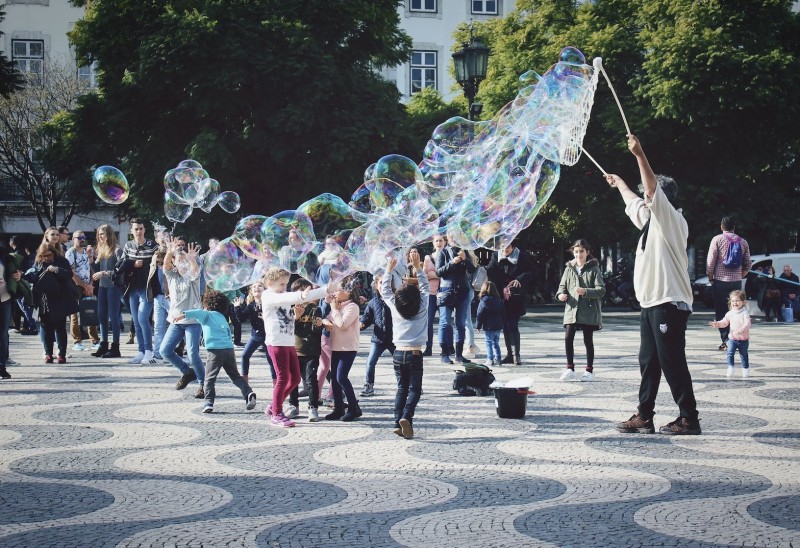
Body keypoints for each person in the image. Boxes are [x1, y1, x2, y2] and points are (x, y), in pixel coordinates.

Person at [609, 134, 701, 436]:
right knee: (648, 362)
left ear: (663, 199)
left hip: (668, 303)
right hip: (650, 304)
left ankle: (689, 419)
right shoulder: (650, 222)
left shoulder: (672, 220)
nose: (647, 201)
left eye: (652, 199)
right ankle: (644, 415)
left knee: (671, 362)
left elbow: (650, 190)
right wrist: (620, 183)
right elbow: (634, 201)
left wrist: (639, 154)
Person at [261, 266, 328, 428]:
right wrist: (300, 295)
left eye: (286, 284)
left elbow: (285, 319)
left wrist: (327, 290)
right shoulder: (268, 295)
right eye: (281, 284)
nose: (284, 287)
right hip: (276, 343)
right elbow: (290, 298)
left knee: (295, 379)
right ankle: (277, 413)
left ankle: (274, 405)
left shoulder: (283, 296)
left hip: (288, 342)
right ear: (270, 283)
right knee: (283, 378)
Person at [176, 290, 257, 414]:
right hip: (229, 349)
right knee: (235, 376)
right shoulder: (222, 317)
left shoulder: (207, 314)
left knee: (209, 378)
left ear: (207, 305)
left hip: (215, 351)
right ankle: (248, 393)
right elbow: (228, 333)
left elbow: (196, 313)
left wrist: (182, 315)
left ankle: (208, 403)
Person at [380, 250, 429, 440]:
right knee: (415, 389)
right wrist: (418, 268)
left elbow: (385, 291)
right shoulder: (422, 306)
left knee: (401, 388)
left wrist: (388, 270)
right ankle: (406, 417)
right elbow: (425, 288)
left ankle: (397, 423)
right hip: (415, 354)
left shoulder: (395, 307)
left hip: (398, 353)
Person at [160, 240, 205, 399]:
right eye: (179, 261)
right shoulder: (171, 275)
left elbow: (195, 270)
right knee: (164, 351)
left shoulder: (192, 277)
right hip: (176, 321)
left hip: (193, 321)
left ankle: (203, 384)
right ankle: (187, 372)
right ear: (174, 262)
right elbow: (165, 265)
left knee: (193, 355)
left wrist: (191, 258)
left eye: (184, 260)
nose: (182, 263)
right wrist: (170, 251)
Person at [556, 239, 605, 381]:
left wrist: (585, 291)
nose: (579, 254)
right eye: (576, 251)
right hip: (572, 309)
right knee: (568, 337)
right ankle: (569, 368)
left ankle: (589, 371)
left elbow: (601, 290)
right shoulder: (568, 269)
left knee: (587, 340)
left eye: (582, 251)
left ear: (587, 252)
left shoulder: (594, 269)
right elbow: (561, 287)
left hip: (588, 310)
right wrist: (560, 295)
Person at [706, 216, 751, 350]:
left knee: (721, 312)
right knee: (736, 310)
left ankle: (726, 340)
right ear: (734, 228)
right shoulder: (743, 242)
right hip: (736, 282)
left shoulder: (717, 239)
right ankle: (736, 339)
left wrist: (710, 278)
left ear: (721, 227)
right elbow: (748, 265)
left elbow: (710, 262)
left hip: (720, 281)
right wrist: (739, 276)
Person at [486, 241, 535, 365]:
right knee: (505, 325)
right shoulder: (495, 256)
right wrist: (502, 287)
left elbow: (533, 271)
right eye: (502, 246)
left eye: (508, 246)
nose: (505, 249)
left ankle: (516, 355)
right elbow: (491, 273)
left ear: (513, 247)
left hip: (516, 295)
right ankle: (510, 354)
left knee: (512, 324)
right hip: (501, 296)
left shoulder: (522, 256)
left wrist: (519, 279)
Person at [322, 274, 363, 422]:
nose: (335, 293)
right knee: (334, 379)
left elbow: (343, 324)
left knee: (341, 377)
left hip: (348, 348)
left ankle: (354, 408)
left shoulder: (353, 307)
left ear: (348, 291)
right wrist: (326, 321)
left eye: (338, 290)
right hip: (336, 346)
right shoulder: (338, 305)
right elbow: (328, 318)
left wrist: (334, 309)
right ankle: (338, 408)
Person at [29, 243, 79, 364]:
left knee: (60, 327)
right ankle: (48, 354)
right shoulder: (39, 262)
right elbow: (33, 277)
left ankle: (61, 354)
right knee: (46, 328)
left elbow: (69, 274)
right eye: (43, 256)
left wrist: (57, 269)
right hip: (44, 299)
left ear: (53, 252)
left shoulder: (61, 261)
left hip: (59, 298)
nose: (46, 258)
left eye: (48, 255)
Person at [120, 219, 159, 364]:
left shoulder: (152, 245)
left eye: (141, 228)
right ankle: (141, 351)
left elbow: (158, 263)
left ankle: (149, 351)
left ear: (144, 229)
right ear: (131, 231)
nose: (139, 231)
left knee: (143, 319)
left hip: (147, 288)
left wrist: (145, 264)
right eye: (136, 229)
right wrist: (133, 264)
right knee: (136, 321)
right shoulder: (128, 246)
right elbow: (122, 264)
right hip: (132, 288)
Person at [287, 277, 324, 422]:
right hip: (294, 350)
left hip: (311, 352)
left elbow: (316, 330)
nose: (304, 294)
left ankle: (313, 407)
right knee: (293, 380)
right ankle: (293, 405)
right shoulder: (291, 309)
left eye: (306, 290)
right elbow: (288, 329)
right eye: (300, 291)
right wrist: (296, 317)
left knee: (311, 380)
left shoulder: (315, 309)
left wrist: (319, 325)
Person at [435, 235, 476, 364]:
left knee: (460, 324)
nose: (454, 237)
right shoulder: (443, 252)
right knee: (445, 322)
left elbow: (472, 269)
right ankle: (444, 354)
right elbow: (439, 272)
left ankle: (458, 355)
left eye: (455, 235)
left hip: (462, 291)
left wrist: (465, 259)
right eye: (451, 235)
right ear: (448, 237)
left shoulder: (464, 251)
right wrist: (452, 263)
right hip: (446, 291)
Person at [358, 272, 394, 397]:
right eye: (381, 283)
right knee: (370, 362)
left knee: (401, 362)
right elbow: (367, 317)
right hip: (378, 339)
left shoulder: (395, 299)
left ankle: (410, 384)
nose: (383, 285)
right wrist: (362, 324)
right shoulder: (373, 302)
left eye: (387, 282)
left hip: (394, 338)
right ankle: (369, 385)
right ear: (376, 285)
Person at [91, 224, 123, 358]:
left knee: (113, 317)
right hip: (102, 286)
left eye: (102, 234)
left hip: (113, 286)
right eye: (99, 234)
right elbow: (96, 271)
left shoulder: (117, 250)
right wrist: (90, 259)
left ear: (109, 234)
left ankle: (115, 347)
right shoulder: (100, 249)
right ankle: (103, 345)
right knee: (101, 315)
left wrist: (105, 273)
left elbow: (121, 271)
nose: (100, 236)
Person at [233, 282, 274, 383]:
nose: (257, 288)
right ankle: (245, 379)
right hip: (255, 335)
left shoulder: (269, 304)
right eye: (254, 287)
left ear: (265, 290)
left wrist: (267, 319)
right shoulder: (251, 306)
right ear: (251, 291)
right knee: (245, 355)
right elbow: (241, 318)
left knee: (271, 360)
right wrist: (237, 307)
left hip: (268, 336)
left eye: (260, 286)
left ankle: (276, 381)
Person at [65, 230, 99, 351]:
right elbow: (72, 273)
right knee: (75, 314)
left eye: (84, 237)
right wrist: (85, 286)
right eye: (79, 237)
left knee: (91, 311)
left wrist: (90, 284)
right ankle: (77, 341)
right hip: (76, 286)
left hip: (87, 286)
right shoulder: (71, 253)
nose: (82, 239)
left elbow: (89, 268)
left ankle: (95, 340)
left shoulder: (85, 252)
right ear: (73, 239)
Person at [709, 289, 751, 378]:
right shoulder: (730, 313)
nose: (735, 303)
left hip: (743, 340)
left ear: (743, 302)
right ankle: (730, 368)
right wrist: (718, 324)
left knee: (743, 355)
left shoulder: (744, 313)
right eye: (733, 301)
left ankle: (745, 369)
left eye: (737, 301)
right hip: (732, 339)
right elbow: (724, 322)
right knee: (730, 353)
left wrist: (743, 328)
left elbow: (747, 323)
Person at [422, 235, 444, 356]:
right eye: (436, 241)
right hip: (431, 293)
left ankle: (447, 346)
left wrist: (434, 275)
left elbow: (449, 273)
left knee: (444, 321)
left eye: (441, 240)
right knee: (428, 321)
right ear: (433, 243)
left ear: (444, 242)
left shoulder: (448, 255)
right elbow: (424, 275)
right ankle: (428, 347)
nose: (439, 243)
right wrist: (435, 275)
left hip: (444, 292)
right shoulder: (428, 258)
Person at [475, 280, 505, 366]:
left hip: (488, 326)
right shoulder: (499, 300)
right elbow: (503, 313)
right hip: (498, 325)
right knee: (496, 343)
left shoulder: (484, 301)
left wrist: (478, 326)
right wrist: (502, 323)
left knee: (488, 342)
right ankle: (498, 358)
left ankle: (490, 359)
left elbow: (480, 314)